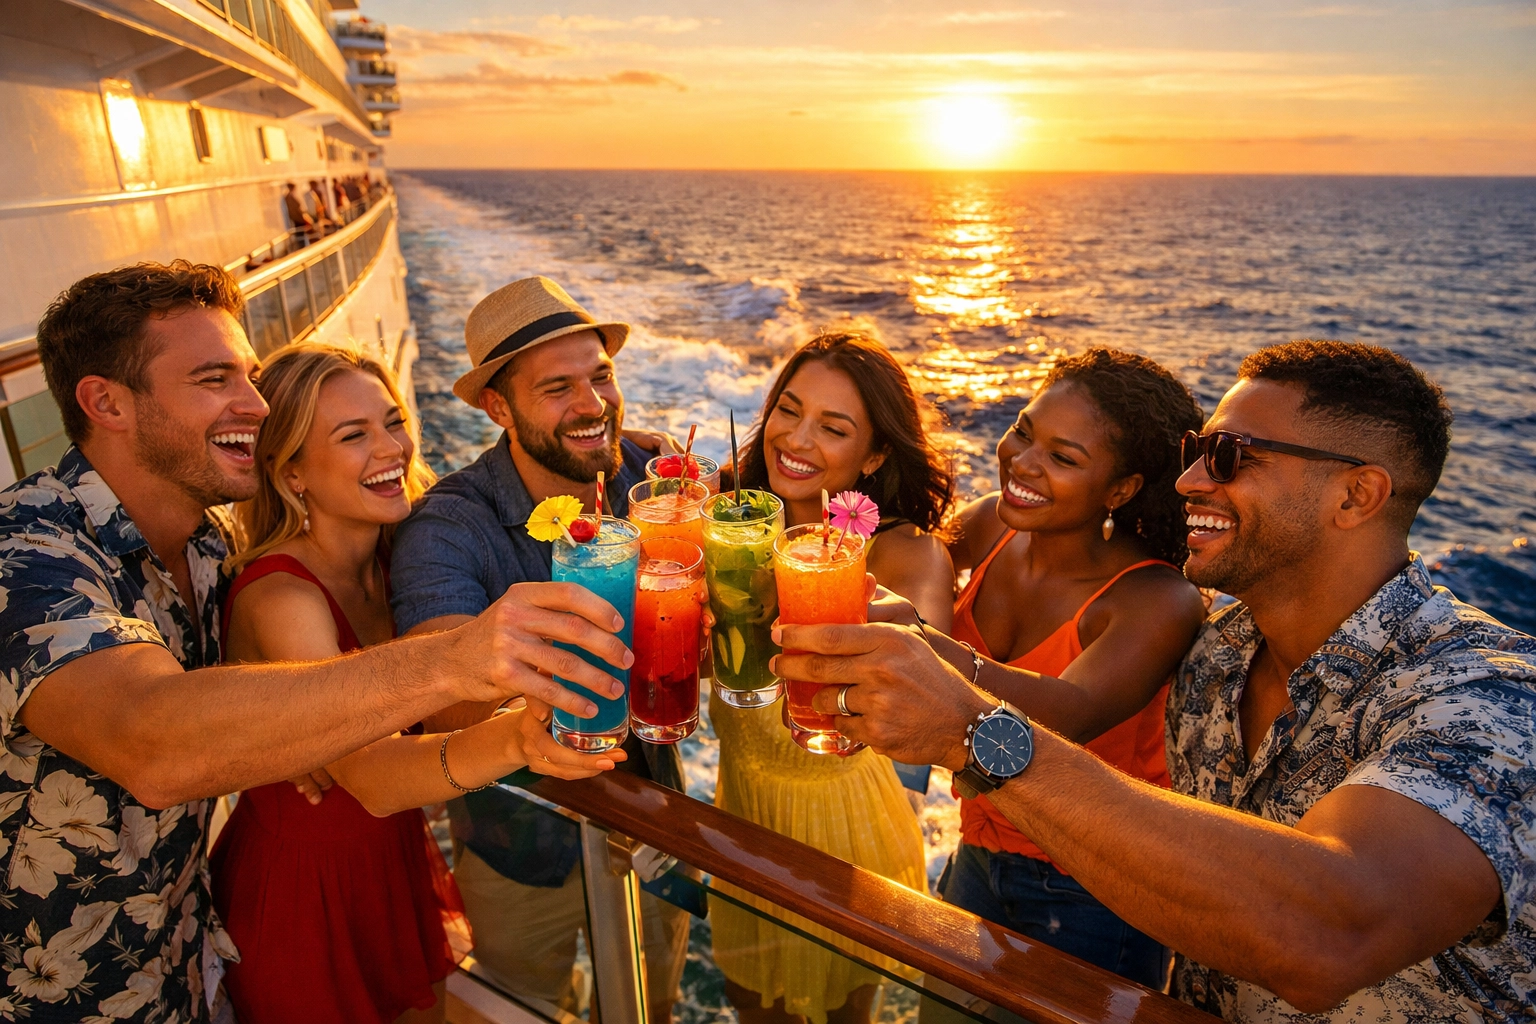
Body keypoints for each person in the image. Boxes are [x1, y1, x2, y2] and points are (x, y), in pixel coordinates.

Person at [783, 341, 1536, 1021]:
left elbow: (1330, 935)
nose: (1189, 480)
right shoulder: (1218, 660)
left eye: (1230, 456)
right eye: (1194, 450)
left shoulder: (1487, 697)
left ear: (1356, 496)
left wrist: (968, 726)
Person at [0, 262, 634, 1022]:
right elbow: (153, 741)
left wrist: (292, 726)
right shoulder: (25, 557)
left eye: (252, 377)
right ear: (105, 401)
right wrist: (455, 670)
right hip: (56, 988)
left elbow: (270, 716)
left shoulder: (206, 544)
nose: (254, 405)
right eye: (214, 380)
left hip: (188, 949)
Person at [212, 344, 617, 1024]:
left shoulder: (396, 553)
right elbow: (369, 777)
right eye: (353, 435)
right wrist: (518, 737)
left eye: (393, 422)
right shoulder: (284, 599)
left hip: (391, 864)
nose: (390, 448)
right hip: (306, 893)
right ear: (292, 472)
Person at [390, 276, 691, 1024]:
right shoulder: (449, 525)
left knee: (655, 1004)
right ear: (499, 407)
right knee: (522, 1005)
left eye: (602, 377)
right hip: (518, 842)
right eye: (558, 388)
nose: (593, 404)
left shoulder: (643, 485)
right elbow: (439, 698)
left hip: (655, 811)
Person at [922, 348, 1205, 986]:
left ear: (1123, 489)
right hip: (979, 846)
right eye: (1024, 430)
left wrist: (918, 641)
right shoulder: (995, 523)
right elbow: (916, 554)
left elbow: (1063, 715)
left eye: (1063, 457)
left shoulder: (1156, 599)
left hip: (1093, 886)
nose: (1022, 461)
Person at [712, 332, 951, 1024]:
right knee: (751, 1009)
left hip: (842, 825)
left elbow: (918, 700)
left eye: (834, 427)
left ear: (875, 456)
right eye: (789, 410)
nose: (798, 437)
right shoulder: (734, 524)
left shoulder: (904, 556)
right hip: (739, 808)